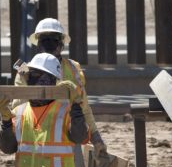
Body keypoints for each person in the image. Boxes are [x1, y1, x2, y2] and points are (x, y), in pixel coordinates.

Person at [14, 18, 106, 158]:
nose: (49, 44)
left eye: (54, 39)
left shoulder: (73, 69)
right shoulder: (26, 71)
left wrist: (96, 138)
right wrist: (30, 83)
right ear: (38, 43)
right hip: (34, 138)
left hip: (67, 138)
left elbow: (84, 107)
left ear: (61, 44)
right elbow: (18, 111)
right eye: (45, 39)